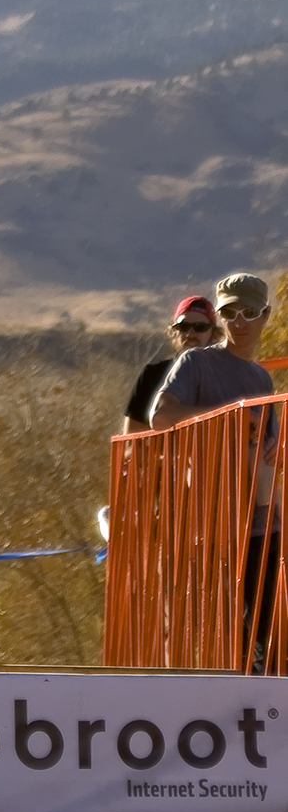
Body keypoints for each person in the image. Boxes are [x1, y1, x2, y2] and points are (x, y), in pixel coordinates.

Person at [151, 271, 280, 670]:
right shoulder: (197, 363)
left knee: (270, 633)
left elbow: (270, 449)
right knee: (225, 636)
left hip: (260, 519)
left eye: (249, 313)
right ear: (220, 318)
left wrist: (273, 449)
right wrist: (230, 419)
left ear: (265, 316)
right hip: (213, 519)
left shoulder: (262, 378)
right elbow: (161, 416)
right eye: (230, 313)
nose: (239, 322)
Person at [122, 296, 219, 434]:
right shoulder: (152, 375)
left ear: (214, 334)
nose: (190, 333)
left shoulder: (224, 373)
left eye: (200, 327)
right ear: (174, 332)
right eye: (183, 327)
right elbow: (131, 441)